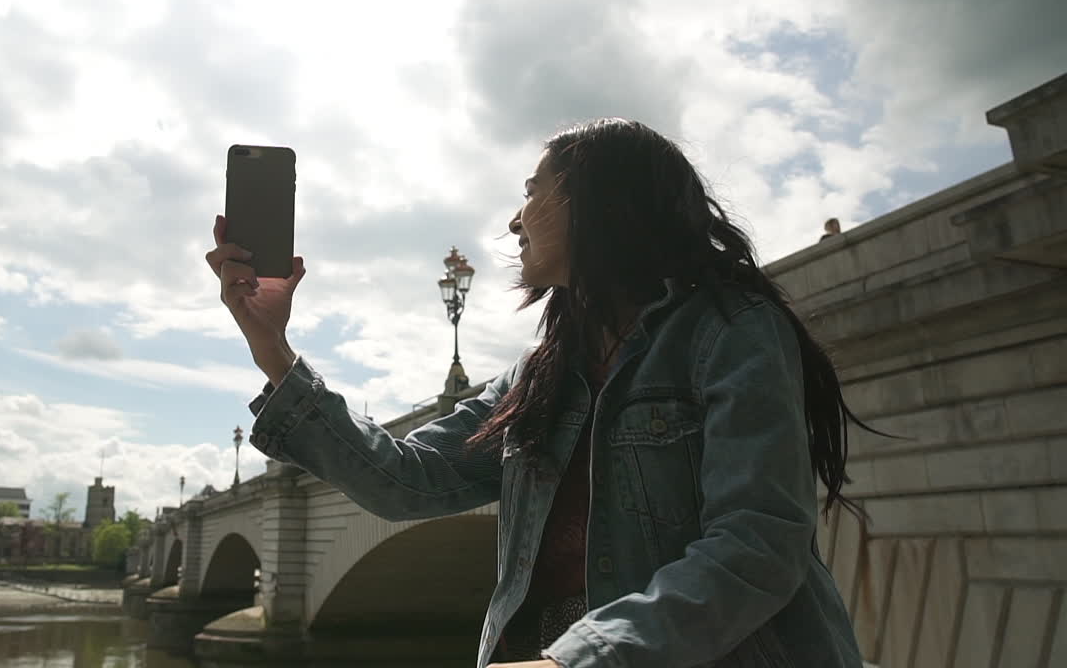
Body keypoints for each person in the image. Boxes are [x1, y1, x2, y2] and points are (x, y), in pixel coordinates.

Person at [206, 118, 869, 668]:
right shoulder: (541, 374)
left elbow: (757, 545)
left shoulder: (731, 332)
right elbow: (403, 481)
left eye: (532, 192)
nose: (515, 219)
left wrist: (576, 660)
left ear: (601, 205)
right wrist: (272, 346)